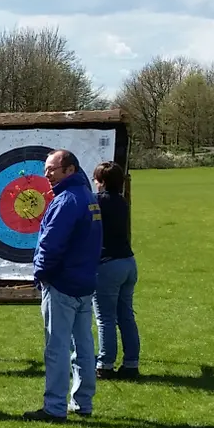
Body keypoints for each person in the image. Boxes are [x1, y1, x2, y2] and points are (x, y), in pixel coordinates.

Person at [25, 149, 103, 421]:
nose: (47, 174)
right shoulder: (87, 197)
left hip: (62, 284)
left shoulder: (66, 200)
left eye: (53, 169)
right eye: (46, 169)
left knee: (57, 348)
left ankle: (55, 407)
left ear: (70, 170)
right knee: (83, 346)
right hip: (84, 283)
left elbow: (50, 245)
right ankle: (83, 403)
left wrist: (41, 273)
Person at [93, 161, 139, 379]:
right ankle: (131, 364)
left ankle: (105, 364)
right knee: (126, 316)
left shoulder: (97, 202)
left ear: (101, 183)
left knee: (105, 318)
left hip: (108, 266)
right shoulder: (122, 201)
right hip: (128, 263)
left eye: (96, 180)